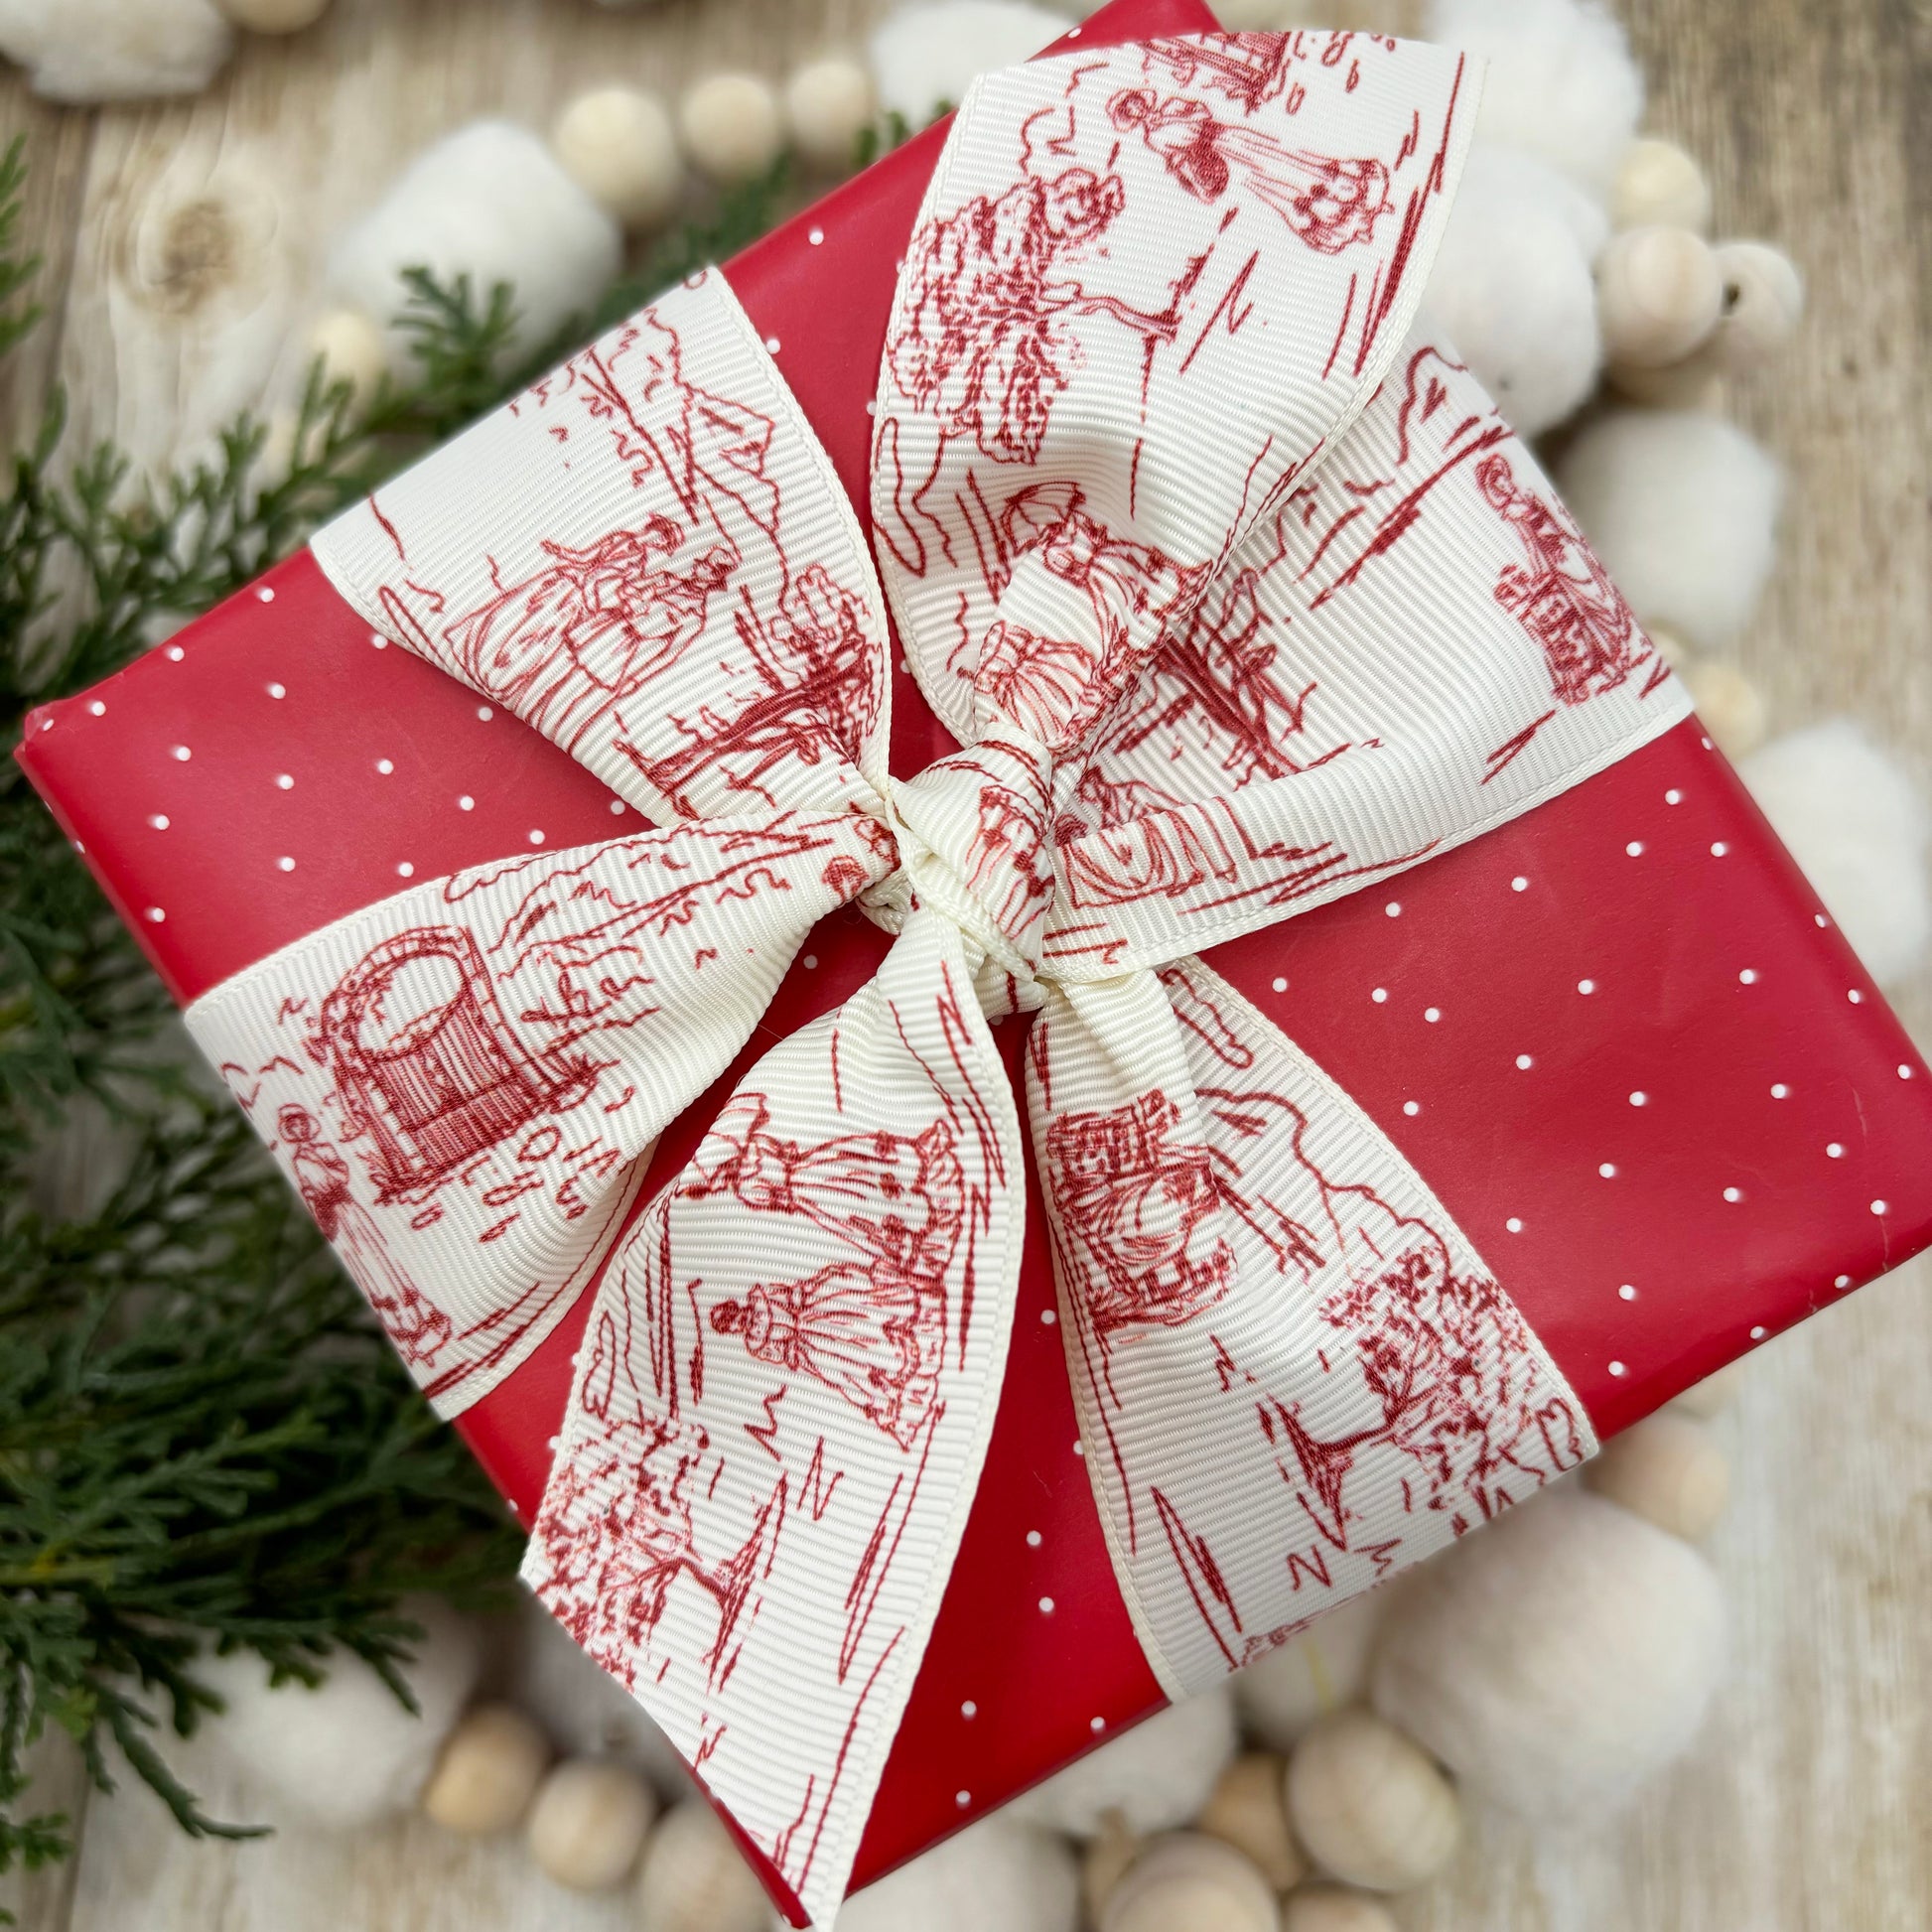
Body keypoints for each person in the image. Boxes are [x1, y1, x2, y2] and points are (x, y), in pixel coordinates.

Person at [277, 1105, 452, 1367]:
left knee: (381, 1258)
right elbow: (326, 1182)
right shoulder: (301, 1160)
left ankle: (422, 1322)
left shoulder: (322, 1150)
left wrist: (329, 1176)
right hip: (338, 1216)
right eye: (294, 1128)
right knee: (369, 1267)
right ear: (289, 1133)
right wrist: (328, 1178)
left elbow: (338, 1177)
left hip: (350, 1210)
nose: (300, 1130)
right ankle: (409, 1334)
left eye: (302, 1124)